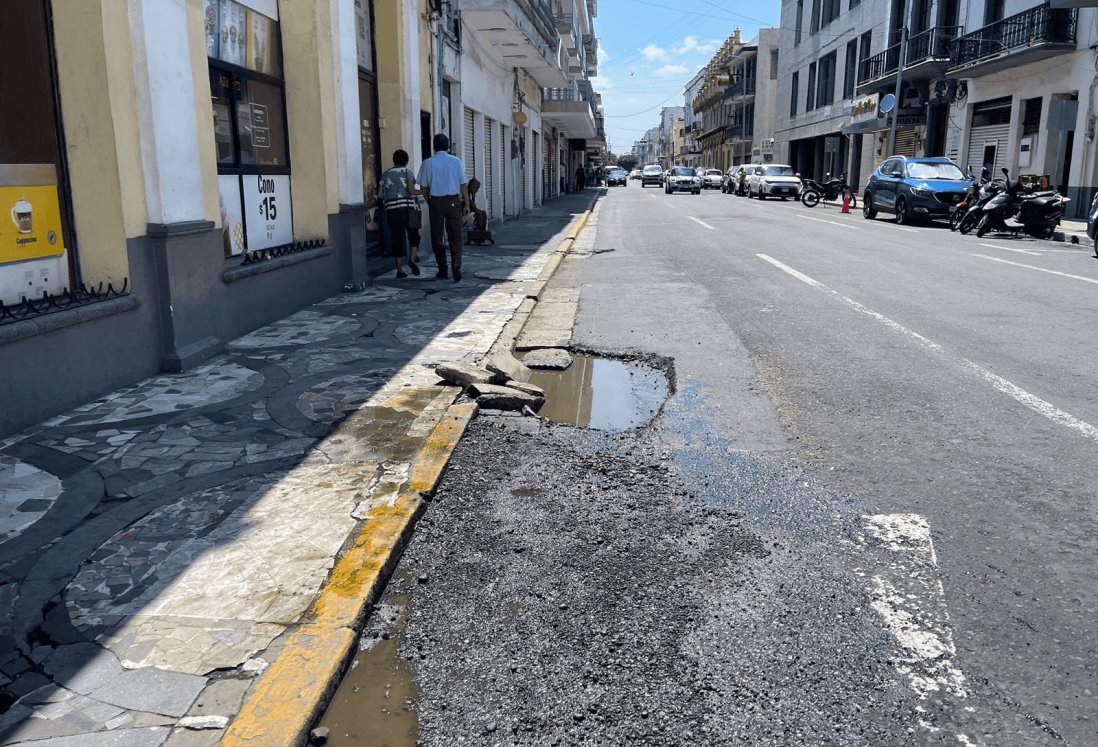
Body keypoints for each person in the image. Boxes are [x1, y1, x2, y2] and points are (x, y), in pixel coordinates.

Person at [416, 133, 469, 282]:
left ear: (434, 146)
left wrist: (429, 201)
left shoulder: (427, 163)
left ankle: (443, 269)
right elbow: (463, 184)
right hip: (453, 201)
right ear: (447, 146)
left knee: (437, 237)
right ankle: (456, 266)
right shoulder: (456, 161)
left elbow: (422, 186)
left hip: (436, 202)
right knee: (455, 236)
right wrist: (467, 204)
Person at [379, 149, 421, 278]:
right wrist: (423, 191)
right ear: (406, 161)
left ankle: (399, 270)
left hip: (391, 210)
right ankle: (412, 260)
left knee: (397, 238)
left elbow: (380, 194)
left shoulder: (385, 174)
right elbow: (411, 190)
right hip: (408, 208)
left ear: (394, 160)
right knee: (414, 235)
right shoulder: (408, 172)